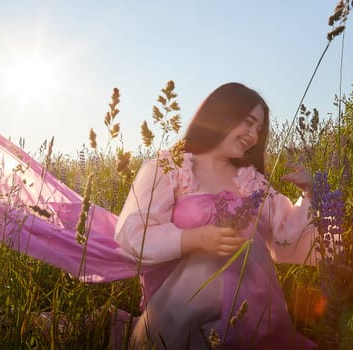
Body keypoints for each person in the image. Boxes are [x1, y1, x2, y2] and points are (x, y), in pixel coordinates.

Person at [114, 82, 318, 349]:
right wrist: (194, 239)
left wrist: (311, 194)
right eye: (248, 122)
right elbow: (135, 235)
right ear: (222, 114)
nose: (254, 135)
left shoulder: (252, 182)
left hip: (254, 310)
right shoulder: (171, 168)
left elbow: (286, 235)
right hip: (182, 305)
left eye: (259, 129)